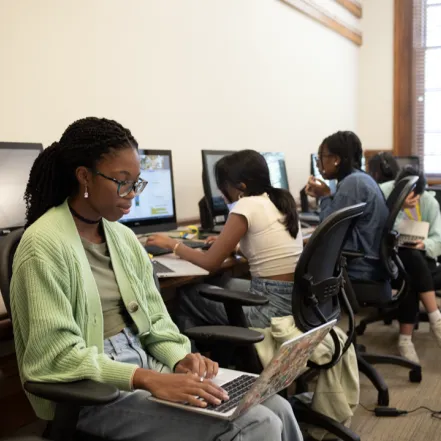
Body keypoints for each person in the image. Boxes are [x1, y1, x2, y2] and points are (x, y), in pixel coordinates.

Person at [10, 118, 303, 441]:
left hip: (145, 363)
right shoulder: (43, 245)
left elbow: (156, 321)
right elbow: (55, 356)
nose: (132, 195)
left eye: (137, 183)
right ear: (84, 177)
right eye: (122, 182)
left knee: (275, 406)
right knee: (256, 424)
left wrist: (179, 357)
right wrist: (145, 378)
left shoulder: (122, 238)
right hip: (93, 390)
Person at [147, 149, 303, 330]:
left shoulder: (246, 204)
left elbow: (209, 263)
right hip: (294, 300)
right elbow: (267, 249)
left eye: (223, 187)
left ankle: (199, 356)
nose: (222, 194)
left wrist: (172, 244)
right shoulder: (278, 200)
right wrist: (232, 247)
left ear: (241, 187)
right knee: (221, 283)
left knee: (186, 295)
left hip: (269, 311)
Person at [305, 131, 389, 283]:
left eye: (321, 157)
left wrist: (324, 196)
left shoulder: (353, 184)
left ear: (336, 159)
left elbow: (328, 231)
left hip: (359, 267)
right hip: (370, 263)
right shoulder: (359, 179)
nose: (318, 163)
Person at [380, 166, 441, 363]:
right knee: (410, 261)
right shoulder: (384, 193)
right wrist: (398, 205)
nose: (413, 199)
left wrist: (424, 244)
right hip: (392, 259)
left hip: (422, 259)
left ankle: (405, 339)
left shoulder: (429, 202)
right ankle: (436, 320)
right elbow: (380, 228)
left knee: (412, 267)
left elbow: (439, 236)